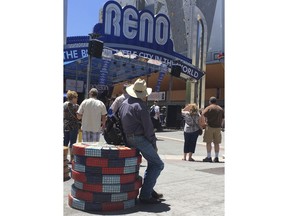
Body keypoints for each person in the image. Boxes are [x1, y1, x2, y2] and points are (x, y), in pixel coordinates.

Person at [119, 78, 164, 204]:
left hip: (128, 137)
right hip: (139, 138)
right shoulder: (141, 106)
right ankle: (145, 194)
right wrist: (153, 144)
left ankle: (148, 189)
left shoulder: (125, 103)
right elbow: (149, 129)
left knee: (149, 163)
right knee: (158, 164)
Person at [202, 96, 225, 162]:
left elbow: (203, 114)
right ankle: (216, 157)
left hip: (209, 127)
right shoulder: (220, 109)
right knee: (217, 143)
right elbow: (223, 118)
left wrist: (203, 124)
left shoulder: (209, 108)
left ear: (210, 102)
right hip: (218, 128)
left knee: (208, 142)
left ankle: (209, 157)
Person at [63, 90, 80, 163]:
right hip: (74, 126)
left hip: (66, 125)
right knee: (72, 142)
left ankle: (64, 157)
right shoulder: (76, 106)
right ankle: (72, 159)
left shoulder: (64, 105)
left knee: (65, 141)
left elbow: (63, 115)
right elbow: (79, 117)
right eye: (76, 97)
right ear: (72, 98)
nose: (76, 99)